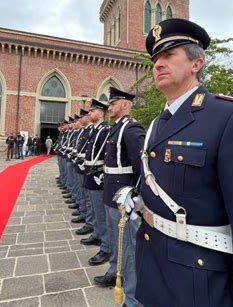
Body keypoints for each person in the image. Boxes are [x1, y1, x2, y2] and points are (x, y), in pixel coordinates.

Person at [120, 18, 233, 306]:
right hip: (152, 272)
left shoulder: (230, 117)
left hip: (198, 286)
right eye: (155, 59)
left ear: (196, 63)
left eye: (169, 55)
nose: (158, 64)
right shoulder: (156, 125)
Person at [94, 87, 145, 307]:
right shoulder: (115, 129)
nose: (109, 107)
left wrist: (137, 196)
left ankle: (133, 299)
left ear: (125, 104)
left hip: (123, 202)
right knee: (118, 244)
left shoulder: (131, 129)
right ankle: (116, 273)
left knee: (130, 250)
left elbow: (142, 167)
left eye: (113, 103)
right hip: (110, 196)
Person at [82, 99, 111, 266]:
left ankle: (105, 244)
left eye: (92, 111)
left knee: (100, 211)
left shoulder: (104, 131)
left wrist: (102, 174)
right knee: (93, 206)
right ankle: (97, 234)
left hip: (97, 175)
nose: (90, 114)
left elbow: (107, 155)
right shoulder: (94, 131)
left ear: (100, 112)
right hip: (89, 172)